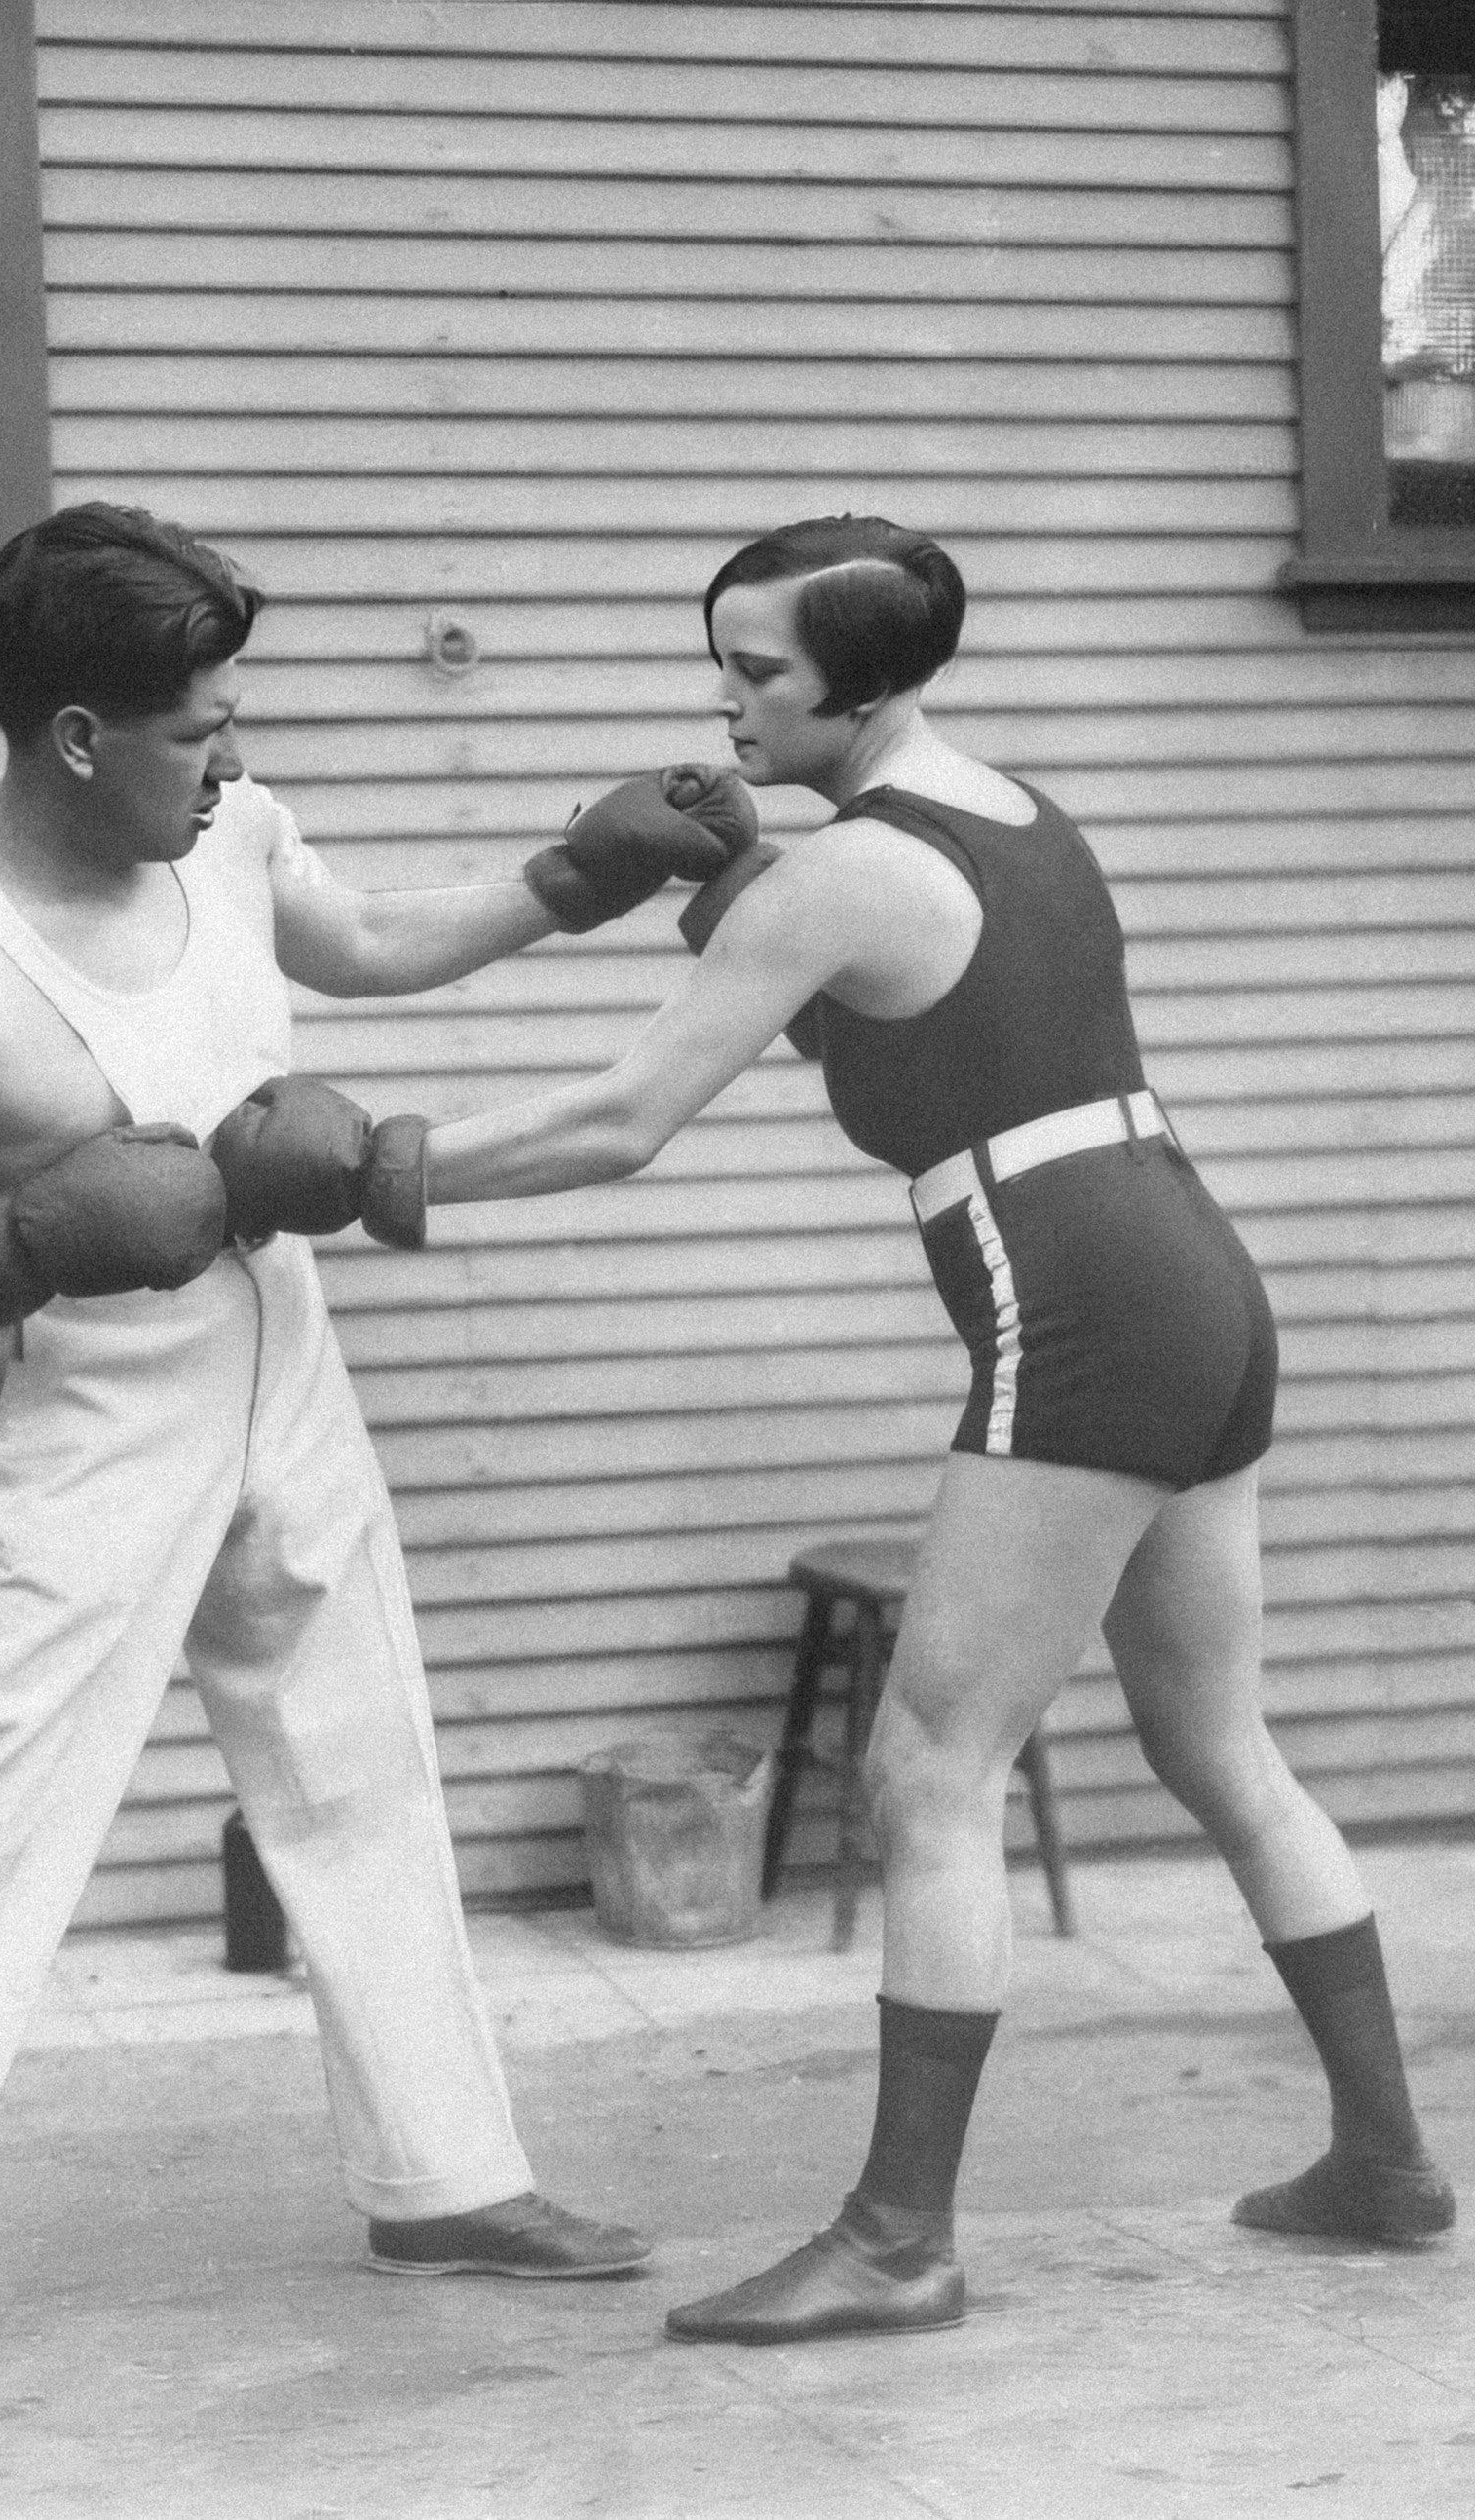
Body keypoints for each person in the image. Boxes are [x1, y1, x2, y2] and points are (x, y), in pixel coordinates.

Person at [374, 513, 1456, 2346]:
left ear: (865, 683)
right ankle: (1385, 2163)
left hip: (1083, 1309)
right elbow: (924, 1025)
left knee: (928, 1771)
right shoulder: (1015, 813)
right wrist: (736, 892)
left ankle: (899, 2237)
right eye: (718, 660)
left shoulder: (849, 872)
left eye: (759, 674)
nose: (723, 706)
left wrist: (360, 1174)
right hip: (1192, 1269)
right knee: (1219, 1745)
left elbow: (619, 1119)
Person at [0, 502, 749, 2397]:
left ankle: (445, 2176)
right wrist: (12, 1237)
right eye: (200, 727)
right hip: (86, 1423)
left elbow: (360, 945)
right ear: (75, 739)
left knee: (365, 1762)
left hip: (283, 1358)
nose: (238, 755)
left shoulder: (230, 834)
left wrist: (569, 876)